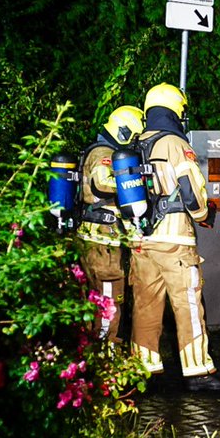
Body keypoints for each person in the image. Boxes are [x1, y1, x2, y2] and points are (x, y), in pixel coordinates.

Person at [128, 83, 220, 390]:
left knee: (145, 304)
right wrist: (203, 215)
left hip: (140, 240)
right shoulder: (173, 142)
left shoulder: (134, 145)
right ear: (174, 111)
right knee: (188, 303)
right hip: (174, 240)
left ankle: (143, 369)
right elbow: (190, 187)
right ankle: (197, 371)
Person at [77, 105, 144, 342]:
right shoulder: (104, 152)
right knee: (108, 297)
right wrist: (134, 183)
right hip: (102, 240)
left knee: (96, 297)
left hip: (97, 238)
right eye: (134, 136)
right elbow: (102, 183)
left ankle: (94, 351)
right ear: (123, 131)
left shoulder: (99, 149)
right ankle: (106, 353)